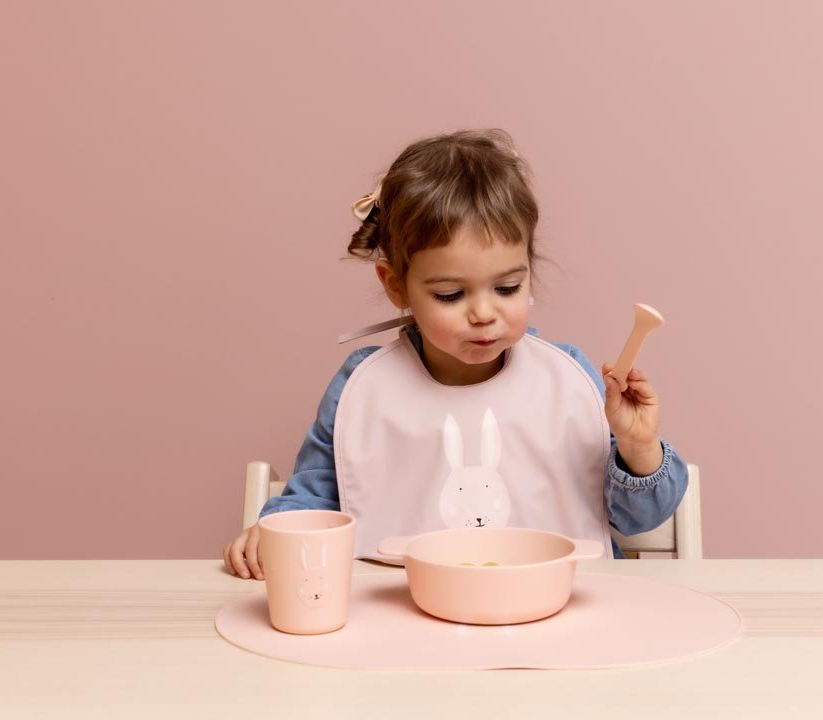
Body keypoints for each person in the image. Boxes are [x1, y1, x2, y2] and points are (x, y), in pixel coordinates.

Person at [224, 128, 688, 580]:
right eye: (450, 295)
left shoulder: (565, 378)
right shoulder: (362, 385)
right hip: (403, 621)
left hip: (556, 619)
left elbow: (639, 518)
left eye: (507, 287)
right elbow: (317, 494)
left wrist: (637, 446)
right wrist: (275, 530)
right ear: (396, 286)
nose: (484, 313)